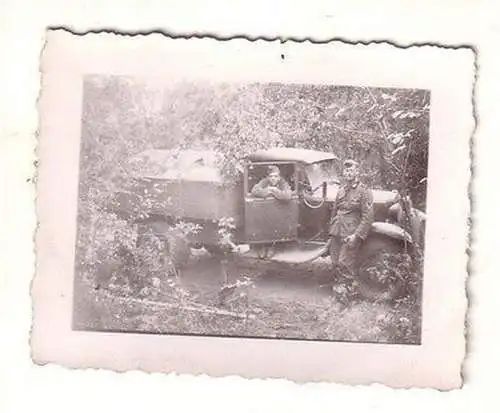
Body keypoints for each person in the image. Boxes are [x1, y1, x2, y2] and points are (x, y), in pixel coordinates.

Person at [328, 159, 374, 296]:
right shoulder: (341, 190)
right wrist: (331, 231)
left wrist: (357, 235)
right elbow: (334, 211)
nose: (348, 173)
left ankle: (347, 296)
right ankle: (340, 290)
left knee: (345, 263)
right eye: (346, 170)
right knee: (336, 262)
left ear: (357, 172)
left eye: (351, 170)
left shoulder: (364, 191)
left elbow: (368, 216)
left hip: (351, 233)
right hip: (337, 230)